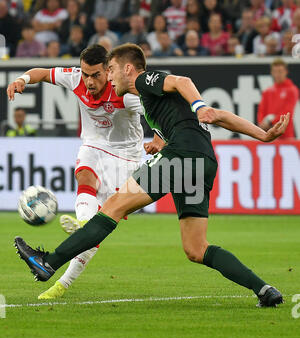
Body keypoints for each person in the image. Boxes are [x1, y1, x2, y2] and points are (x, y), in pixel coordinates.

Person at [14, 43, 289, 308]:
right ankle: (264, 289)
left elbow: (183, 82)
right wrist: (262, 135)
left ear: (128, 69)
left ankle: (47, 263)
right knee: (196, 248)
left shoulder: (145, 81)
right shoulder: (145, 100)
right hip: (203, 163)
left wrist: (198, 105)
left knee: (111, 208)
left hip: (179, 158)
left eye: (111, 69)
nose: (109, 76)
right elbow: (217, 116)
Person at [8, 44, 147, 300]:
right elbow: (41, 72)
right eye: (86, 74)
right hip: (93, 145)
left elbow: (155, 110)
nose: (89, 81)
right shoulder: (75, 78)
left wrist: (160, 137)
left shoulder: (125, 93)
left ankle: (62, 283)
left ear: (108, 70)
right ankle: (83, 225)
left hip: (125, 158)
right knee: (84, 176)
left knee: (100, 227)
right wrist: (22, 79)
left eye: (96, 75)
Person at [257, 58, 299, 139]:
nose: (278, 74)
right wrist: (261, 123)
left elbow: (287, 111)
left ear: (286, 72)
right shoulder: (267, 91)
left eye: (280, 71)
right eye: (275, 72)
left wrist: (270, 122)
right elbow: (261, 110)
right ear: (272, 72)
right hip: (269, 135)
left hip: (286, 136)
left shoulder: (292, 90)